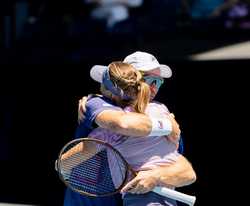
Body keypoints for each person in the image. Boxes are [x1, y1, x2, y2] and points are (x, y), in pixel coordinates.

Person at [63, 51, 196, 206]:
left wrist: (156, 176)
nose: (154, 88)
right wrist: (167, 125)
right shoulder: (96, 104)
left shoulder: (160, 111)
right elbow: (122, 124)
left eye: (158, 82)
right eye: (148, 80)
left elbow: (186, 171)